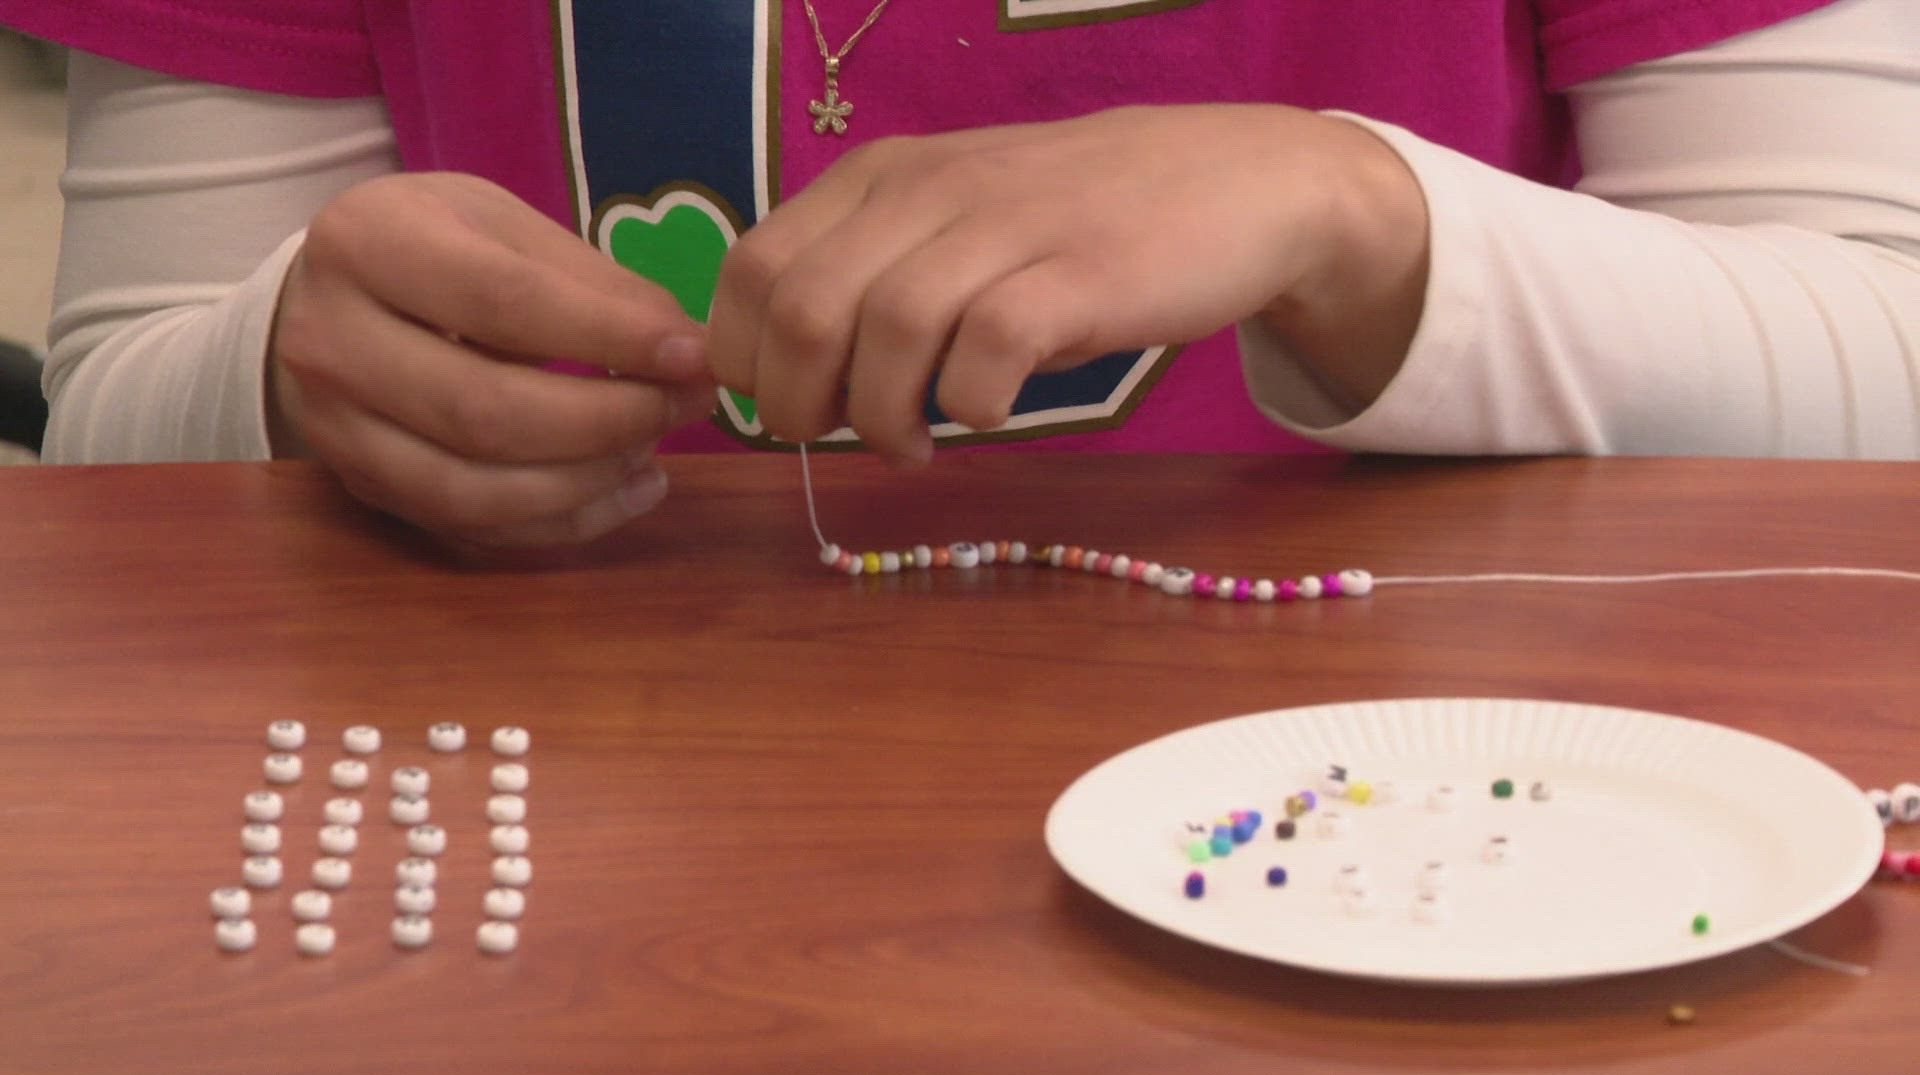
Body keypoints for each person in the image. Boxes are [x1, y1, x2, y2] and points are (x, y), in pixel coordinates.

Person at [0, 0, 1915, 551]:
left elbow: (1880, 364)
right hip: (561, 861)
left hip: (1436, 841)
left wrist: (1359, 212)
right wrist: (277, 370)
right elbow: (111, 448)